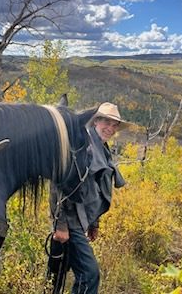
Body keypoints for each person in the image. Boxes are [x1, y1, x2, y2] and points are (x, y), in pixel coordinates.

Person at [50, 102, 132, 294]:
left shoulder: (102, 149)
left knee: (57, 274)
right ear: (95, 121)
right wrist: (60, 225)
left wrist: (94, 223)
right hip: (69, 220)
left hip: (80, 220)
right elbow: (57, 183)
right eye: (106, 122)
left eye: (114, 125)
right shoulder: (83, 145)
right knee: (89, 274)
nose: (110, 128)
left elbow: (94, 190)